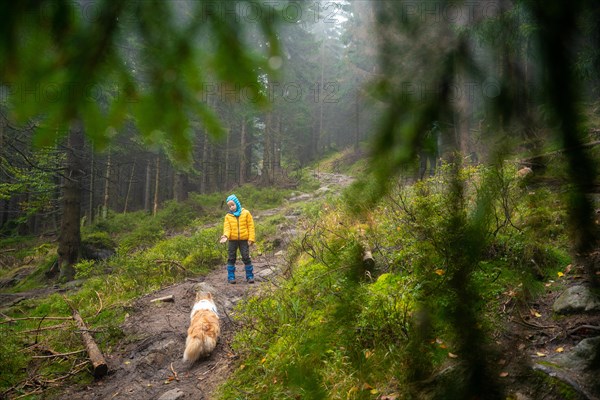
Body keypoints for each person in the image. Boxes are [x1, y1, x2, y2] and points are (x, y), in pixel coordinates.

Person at [219, 194, 256, 284]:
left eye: (233, 205)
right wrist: (225, 236)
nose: (231, 207)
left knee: (246, 257)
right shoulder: (228, 216)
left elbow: (251, 226)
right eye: (229, 206)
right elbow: (227, 228)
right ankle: (231, 277)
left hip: (244, 240)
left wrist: (251, 238)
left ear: (237, 203)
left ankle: (250, 276)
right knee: (231, 258)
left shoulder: (246, 213)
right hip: (232, 240)